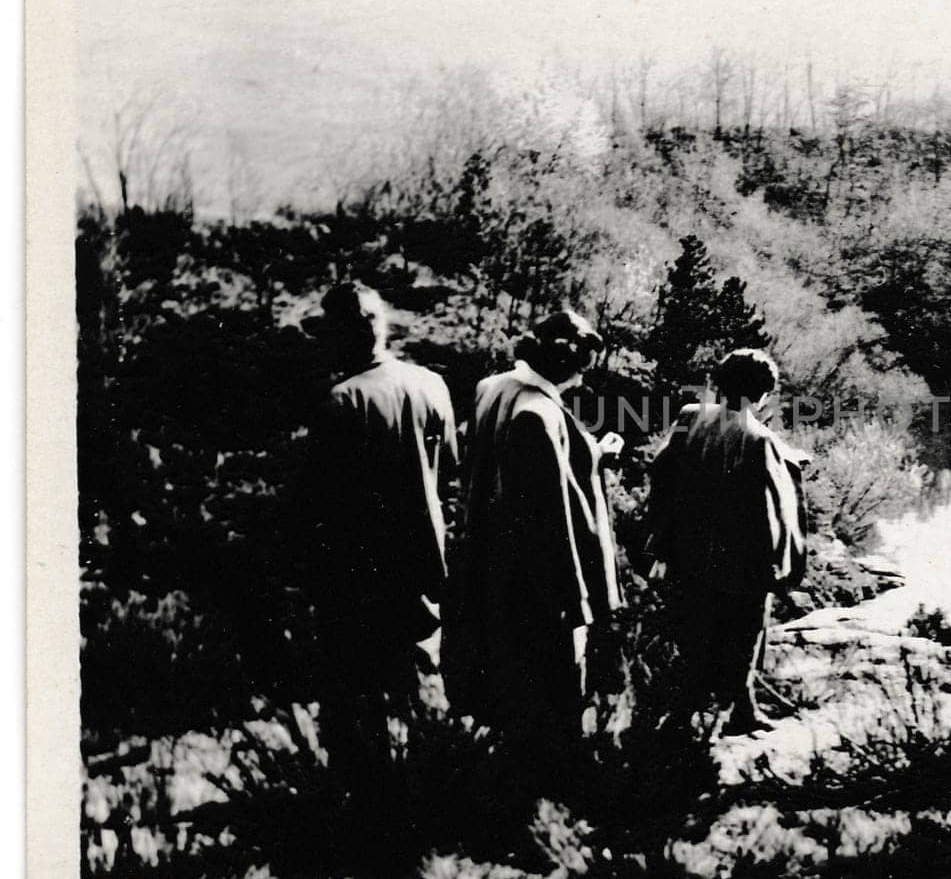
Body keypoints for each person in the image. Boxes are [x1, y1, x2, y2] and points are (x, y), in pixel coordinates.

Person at [444, 309, 624, 779]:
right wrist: (577, 602)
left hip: (486, 568)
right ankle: (542, 807)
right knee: (552, 701)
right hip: (536, 590)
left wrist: (589, 455)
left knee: (503, 698)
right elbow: (551, 522)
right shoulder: (538, 413)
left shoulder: (493, 389)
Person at [305, 282, 457, 792]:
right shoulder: (432, 385)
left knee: (357, 704)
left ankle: (367, 810)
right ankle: (431, 794)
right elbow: (450, 474)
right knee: (419, 690)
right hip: (425, 571)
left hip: (358, 581)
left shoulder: (338, 403)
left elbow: (320, 512)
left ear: (345, 332)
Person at [646, 349, 806, 736]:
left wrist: (660, 540)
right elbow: (770, 511)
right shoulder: (760, 438)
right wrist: (781, 571)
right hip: (739, 561)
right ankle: (731, 715)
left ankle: (691, 715)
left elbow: (663, 470)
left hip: (689, 550)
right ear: (764, 394)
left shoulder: (690, 416)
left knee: (694, 634)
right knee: (743, 636)